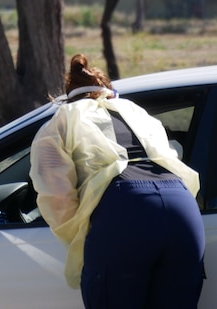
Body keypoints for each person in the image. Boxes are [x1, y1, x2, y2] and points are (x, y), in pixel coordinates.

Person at [29, 53, 205, 309]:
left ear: (68, 97)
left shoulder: (61, 121)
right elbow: (172, 153)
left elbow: (56, 195)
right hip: (182, 207)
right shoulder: (135, 111)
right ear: (108, 92)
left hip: (125, 212)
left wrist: (85, 236)